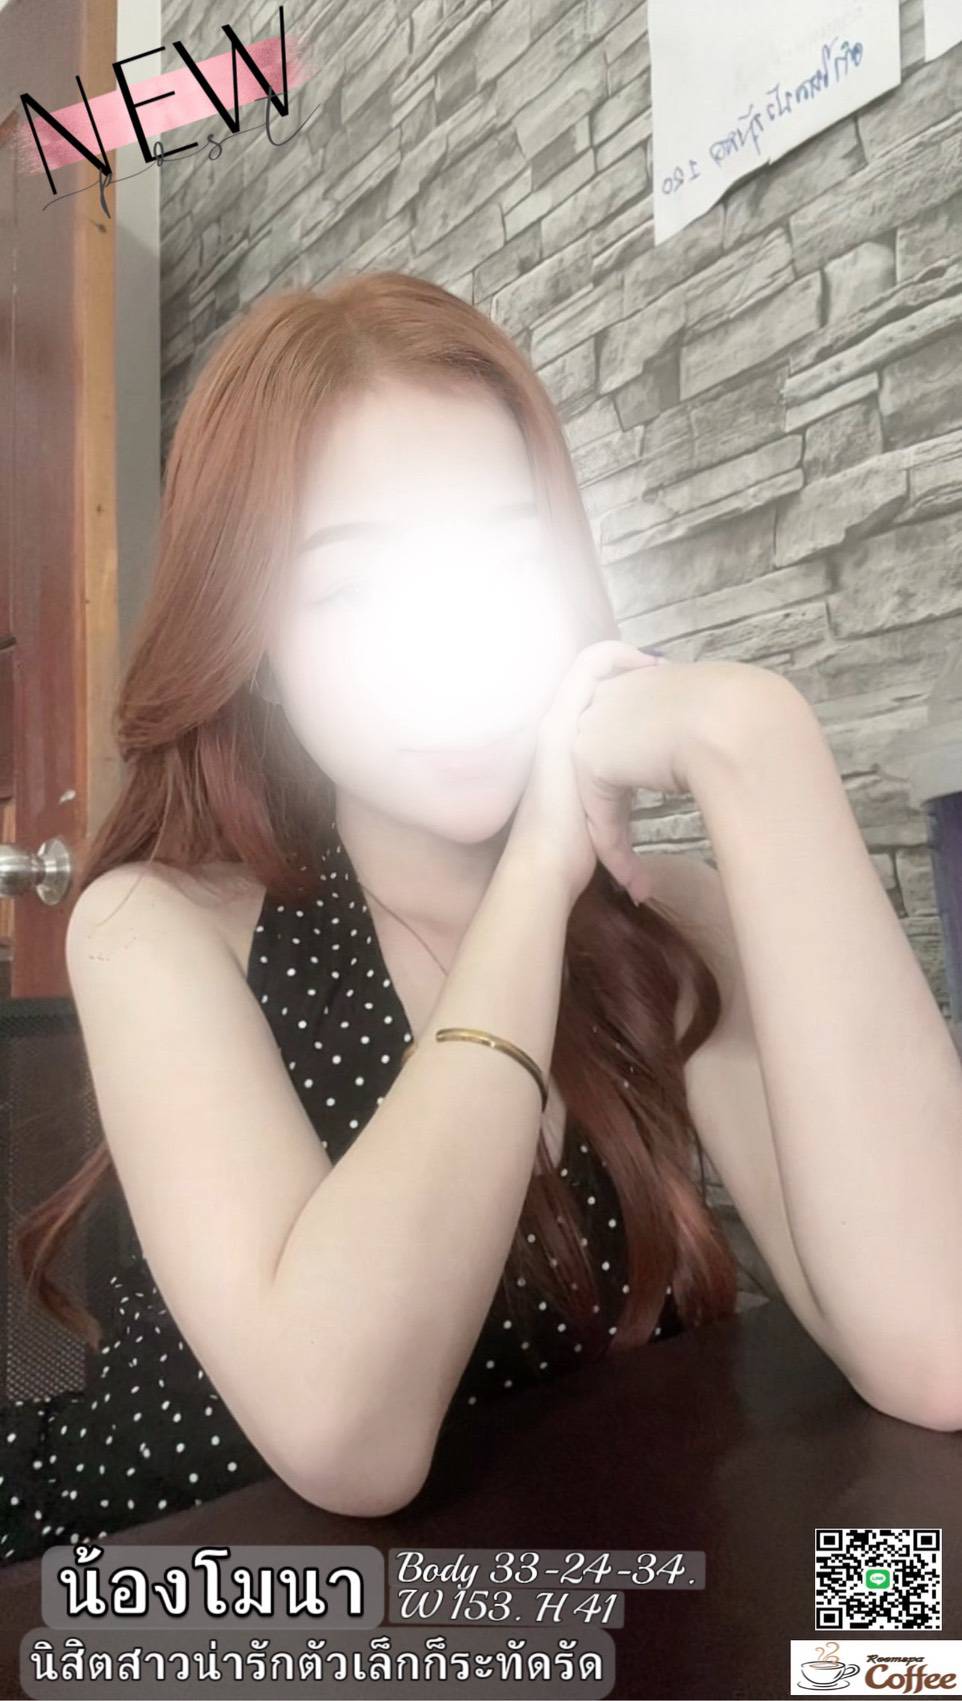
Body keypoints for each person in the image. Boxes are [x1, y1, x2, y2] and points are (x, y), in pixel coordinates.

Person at [3, 272, 961, 1568]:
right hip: (166, 1597)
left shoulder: (659, 921)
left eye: (501, 567)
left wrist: (754, 742)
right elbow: (346, 1434)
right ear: (259, 651)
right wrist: (533, 874)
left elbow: (939, 1345)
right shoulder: (156, 928)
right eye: (352, 591)